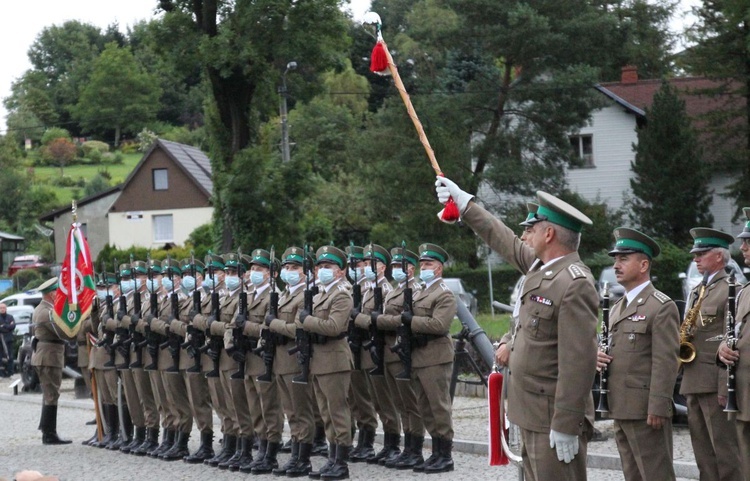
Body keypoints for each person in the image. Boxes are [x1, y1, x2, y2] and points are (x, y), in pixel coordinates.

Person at [436, 177, 598, 481]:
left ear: (548, 234)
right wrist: (465, 203)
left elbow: (579, 363)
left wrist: (566, 424)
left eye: (532, 228)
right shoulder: (542, 267)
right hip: (530, 412)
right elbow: (502, 238)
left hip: (552, 418)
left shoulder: (573, 283)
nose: (525, 234)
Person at [596, 228, 679, 481]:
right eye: (615, 259)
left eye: (623, 259)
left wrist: (658, 405)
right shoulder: (618, 306)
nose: (616, 265)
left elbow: (666, 361)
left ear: (643, 264)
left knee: (655, 474)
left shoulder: (660, 306)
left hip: (645, 409)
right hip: (621, 405)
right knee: (632, 475)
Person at [681, 228, 742, 481]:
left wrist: (723, 388)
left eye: (702, 253)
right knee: (703, 454)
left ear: (719, 257)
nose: (696, 258)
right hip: (693, 380)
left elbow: (733, 340)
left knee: (725, 454)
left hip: (714, 384)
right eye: (696, 253)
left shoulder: (732, 289)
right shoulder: (697, 291)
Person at [400, 243, 457, 474]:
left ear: (439, 268)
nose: (424, 267)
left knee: (439, 406)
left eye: (428, 264)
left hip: (435, 356)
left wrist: (410, 321)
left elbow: (438, 324)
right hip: (419, 357)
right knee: (425, 407)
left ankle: (445, 454)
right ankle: (435, 452)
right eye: (422, 263)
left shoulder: (444, 293)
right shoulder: (421, 291)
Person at [300, 245, 354, 480]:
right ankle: (332, 458)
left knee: (337, 411)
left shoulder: (341, 294)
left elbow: (335, 327)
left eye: (328, 266)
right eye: (320, 266)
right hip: (319, 360)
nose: (322, 270)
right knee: (325, 413)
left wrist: (307, 320)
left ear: (340, 271)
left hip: (334, 360)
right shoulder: (321, 294)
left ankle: (341, 462)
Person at [266, 246, 316, 477]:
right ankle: (295, 454)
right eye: (286, 267)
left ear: (305, 272)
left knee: (301, 410)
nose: (289, 271)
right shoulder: (285, 294)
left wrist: (273, 324)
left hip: (296, 359)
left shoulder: (307, 294)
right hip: (280, 360)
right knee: (290, 411)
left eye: (294, 267)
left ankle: (303, 458)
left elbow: (299, 328)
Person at [374, 246, 424, 470]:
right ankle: (406, 448)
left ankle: (415, 449)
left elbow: (405, 320)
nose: (396, 270)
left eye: (399, 266)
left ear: (411, 269)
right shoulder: (396, 289)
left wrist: (380, 320)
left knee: (410, 404)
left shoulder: (415, 289)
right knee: (400, 404)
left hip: (403, 353)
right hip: (390, 352)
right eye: (393, 266)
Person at [718, 207, 750, 480]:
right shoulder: (744, 293)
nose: (743, 247)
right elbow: (735, 334)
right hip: (744, 399)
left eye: (748, 242)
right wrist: (723, 350)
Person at [30, 277, 73, 445]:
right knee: (51, 394)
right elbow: (61, 332)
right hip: (49, 356)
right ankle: (49, 433)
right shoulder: (46, 312)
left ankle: (46, 430)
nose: (58, 294)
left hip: (47, 355)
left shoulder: (42, 308)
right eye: (56, 292)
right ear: (50, 294)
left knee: (49, 394)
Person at [0, 303, 16, 376]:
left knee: (10, 356)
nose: (2, 309)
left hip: (9, 339)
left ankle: (10, 372)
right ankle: (2, 373)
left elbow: (13, 326)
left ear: (6, 308)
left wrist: (4, 326)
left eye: (3, 307)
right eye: (1, 308)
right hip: (1, 340)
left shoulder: (10, 317)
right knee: (1, 357)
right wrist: (8, 326)